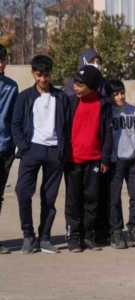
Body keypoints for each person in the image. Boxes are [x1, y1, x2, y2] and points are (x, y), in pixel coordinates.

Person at [11, 55, 71, 254]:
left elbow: (68, 126)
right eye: (39, 75)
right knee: (22, 192)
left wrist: (63, 150)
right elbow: (16, 124)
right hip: (32, 150)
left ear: (51, 74)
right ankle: (28, 236)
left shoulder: (61, 97)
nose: (43, 79)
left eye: (46, 75)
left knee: (49, 197)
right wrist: (24, 147)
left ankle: (45, 237)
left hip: (55, 152)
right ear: (33, 73)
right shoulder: (24, 96)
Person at [64, 65, 113, 252]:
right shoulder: (70, 102)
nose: (76, 87)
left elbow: (108, 133)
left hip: (94, 160)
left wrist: (105, 160)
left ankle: (89, 235)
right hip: (72, 160)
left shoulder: (103, 104)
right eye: (75, 82)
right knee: (73, 201)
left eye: (80, 84)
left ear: (92, 85)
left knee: (92, 199)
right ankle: (73, 236)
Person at [105, 79, 135, 249]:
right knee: (114, 199)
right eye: (115, 94)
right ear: (110, 96)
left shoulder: (133, 110)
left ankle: (134, 230)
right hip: (115, 162)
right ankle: (116, 233)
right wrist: (112, 156)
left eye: (122, 93)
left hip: (133, 161)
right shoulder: (108, 113)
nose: (120, 97)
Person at [0, 44, 18, 254]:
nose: (1, 63)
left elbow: (15, 119)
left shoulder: (12, 86)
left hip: (5, 148)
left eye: (3, 59)